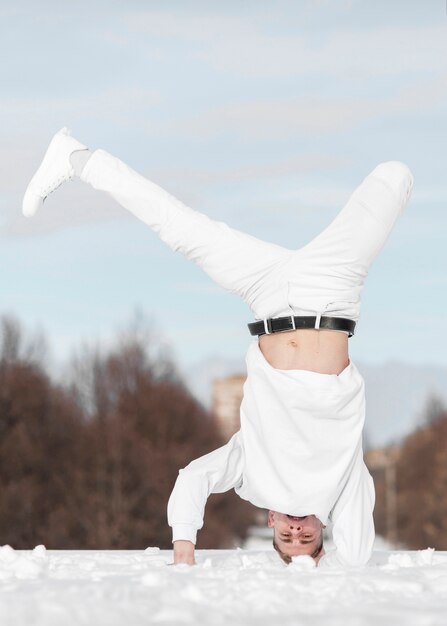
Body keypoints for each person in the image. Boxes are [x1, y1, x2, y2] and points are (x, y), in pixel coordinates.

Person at [22, 127, 413, 568]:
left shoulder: (250, 475)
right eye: (307, 538)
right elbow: (358, 554)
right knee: (396, 175)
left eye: (288, 537)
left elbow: (194, 478)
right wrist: (338, 567)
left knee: (180, 228)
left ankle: (75, 157)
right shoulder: (344, 484)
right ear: (324, 527)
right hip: (333, 289)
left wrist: (184, 545)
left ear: (270, 522)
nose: (297, 530)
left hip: (265, 294)